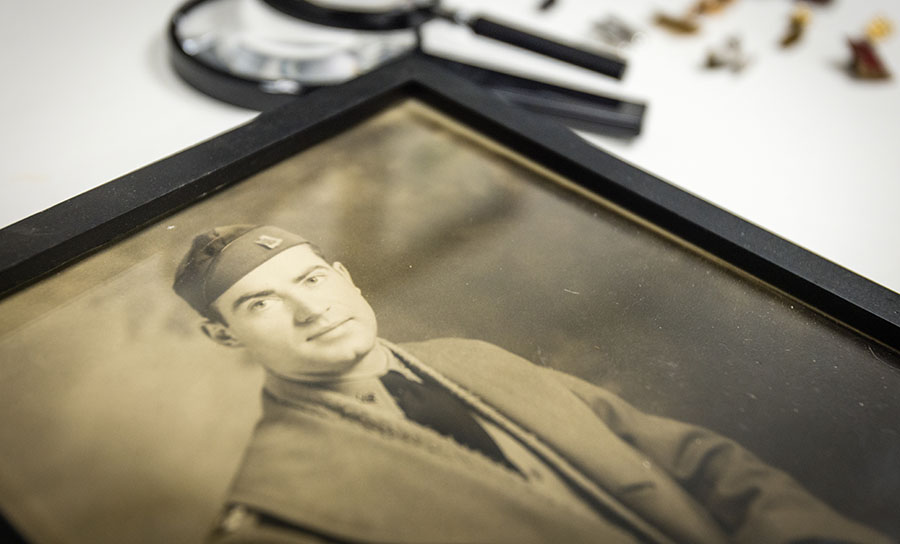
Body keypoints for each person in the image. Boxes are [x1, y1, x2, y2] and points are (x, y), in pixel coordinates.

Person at [173, 225, 892, 544]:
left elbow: (703, 463)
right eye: (260, 304)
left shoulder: (471, 358)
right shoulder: (277, 512)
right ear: (224, 335)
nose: (312, 307)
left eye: (310, 278)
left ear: (345, 278)